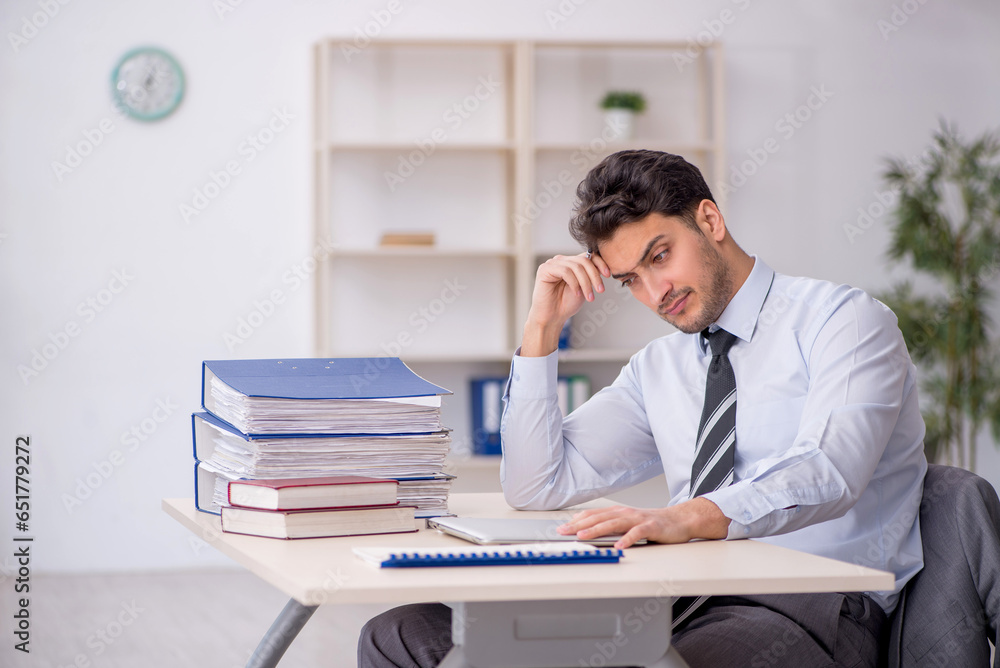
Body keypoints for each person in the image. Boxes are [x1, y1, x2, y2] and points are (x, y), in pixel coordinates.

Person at [358, 150, 927, 668]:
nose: (656, 292)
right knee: (401, 634)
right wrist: (542, 330)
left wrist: (680, 517)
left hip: (808, 606)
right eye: (632, 279)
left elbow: (831, 471)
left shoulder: (844, 321)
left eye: (661, 256)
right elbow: (536, 485)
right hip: (672, 598)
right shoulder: (660, 366)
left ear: (709, 220)